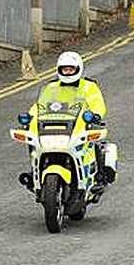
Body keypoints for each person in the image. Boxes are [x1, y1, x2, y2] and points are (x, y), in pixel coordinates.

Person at [36, 52, 109, 187]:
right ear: (59, 70)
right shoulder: (51, 87)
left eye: (71, 69)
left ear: (78, 69)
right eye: (65, 69)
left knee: (94, 144)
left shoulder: (89, 86)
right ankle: (35, 174)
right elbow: (39, 105)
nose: (68, 72)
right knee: (36, 145)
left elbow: (97, 103)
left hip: (80, 124)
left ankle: (100, 176)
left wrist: (95, 115)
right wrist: (31, 117)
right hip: (56, 126)